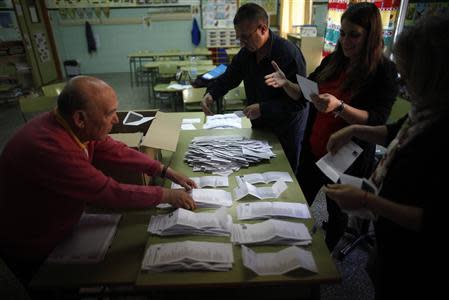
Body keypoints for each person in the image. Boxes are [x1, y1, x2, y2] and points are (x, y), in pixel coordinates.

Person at [0, 76, 197, 285]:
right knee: (55, 284)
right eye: (110, 113)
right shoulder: (51, 149)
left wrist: (163, 170)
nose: (117, 120)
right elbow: (109, 192)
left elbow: (116, 151)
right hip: (31, 240)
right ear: (80, 118)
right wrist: (166, 194)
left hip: (59, 218)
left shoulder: (70, 126)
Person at [324, 13, 449, 299]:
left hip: (420, 259)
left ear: (435, 75)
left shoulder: (443, 129)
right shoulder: (427, 110)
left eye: (410, 74)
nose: (404, 82)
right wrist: (354, 129)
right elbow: (394, 131)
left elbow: (435, 219)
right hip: (391, 242)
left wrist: (368, 201)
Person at [265, 2, 398, 251]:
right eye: (343, 33)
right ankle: (289, 243)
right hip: (314, 148)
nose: (346, 41)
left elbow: (377, 120)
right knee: (299, 200)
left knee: (337, 211)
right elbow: (308, 94)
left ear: (371, 35)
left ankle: (328, 256)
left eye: (354, 35)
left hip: (346, 156)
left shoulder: (384, 71)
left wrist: (340, 107)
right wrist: (286, 84)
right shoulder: (335, 60)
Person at [201, 3, 309, 173]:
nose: (242, 42)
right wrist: (211, 93)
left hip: (286, 132)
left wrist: (263, 108)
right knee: (259, 174)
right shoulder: (247, 53)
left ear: (263, 29)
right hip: (260, 128)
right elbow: (230, 77)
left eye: (245, 37)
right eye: (239, 38)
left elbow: (301, 102)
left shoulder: (289, 54)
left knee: (285, 178)